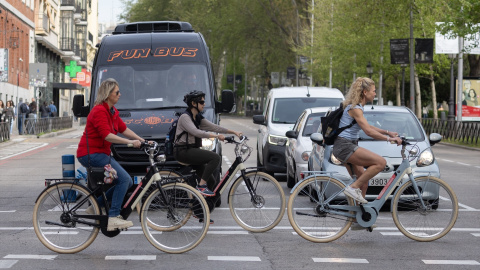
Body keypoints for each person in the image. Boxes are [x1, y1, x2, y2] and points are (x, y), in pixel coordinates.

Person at [76, 78, 147, 231]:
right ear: (108, 95)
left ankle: (96, 206)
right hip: (90, 154)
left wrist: (142, 140)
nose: (120, 94)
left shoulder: (112, 111)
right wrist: (128, 143)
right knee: (124, 179)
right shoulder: (99, 111)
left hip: (102, 153)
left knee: (126, 182)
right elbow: (107, 135)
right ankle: (113, 218)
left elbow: (124, 129)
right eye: (117, 92)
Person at [333, 77, 402, 227]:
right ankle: (352, 188)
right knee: (380, 162)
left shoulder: (357, 107)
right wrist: (388, 139)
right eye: (373, 91)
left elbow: (368, 126)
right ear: (365, 92)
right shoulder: (355, 108)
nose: (375, 93)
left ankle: (358, 219)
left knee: (364, 182)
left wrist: (388, 132)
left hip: (346, 145)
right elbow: (368, 131)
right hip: (345, 146)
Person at [174, 90, 243, 198]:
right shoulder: (185, 117)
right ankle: (201, 186)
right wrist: (216, 136)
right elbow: (196, 132)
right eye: (201, 102)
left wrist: (234, 132)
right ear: (193, 103)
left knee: (211, 181)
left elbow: (215, 127)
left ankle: (200, 209)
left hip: (191, 150)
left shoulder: (197, 117)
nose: (204, 104)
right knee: (215, 157)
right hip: (183, 151)